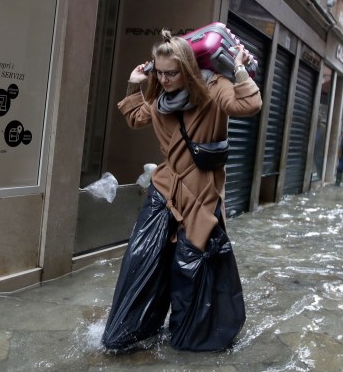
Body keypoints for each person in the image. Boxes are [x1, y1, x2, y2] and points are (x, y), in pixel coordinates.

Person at [101, 29, 262, 352]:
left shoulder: (215, 89)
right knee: (142, 257)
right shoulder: (159, 96)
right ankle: (130, 332)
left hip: (200, 194)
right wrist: (136, 82)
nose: (164, 79)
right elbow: (134, 117)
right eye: (159, 73)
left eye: (171, 73)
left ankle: (190, 338)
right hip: (165, 188)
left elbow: (249, 104)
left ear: (187, 68)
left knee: (190, 268)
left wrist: (241, 69)